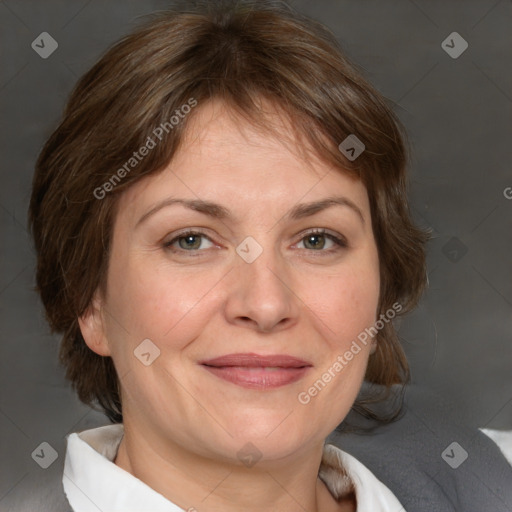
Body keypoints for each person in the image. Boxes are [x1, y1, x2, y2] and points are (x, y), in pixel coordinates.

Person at [28, 1, 511, 511]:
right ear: (91, 301)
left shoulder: (477, 472)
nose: (265, 304)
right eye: (191, 240)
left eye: (316, 239)